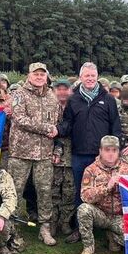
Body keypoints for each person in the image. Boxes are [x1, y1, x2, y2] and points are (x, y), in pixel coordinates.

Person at [57, 62, 122, 242]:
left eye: (93, 76)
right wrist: (57, 130)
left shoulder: (108, 99)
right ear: (81, 77)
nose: (90, 79)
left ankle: (108, 228)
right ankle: (81, 228)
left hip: (102, 157)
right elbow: (67, 123)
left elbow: (115, 127)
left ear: (97, 77)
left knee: (108, 190)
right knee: (82, 191)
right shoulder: (73, 99)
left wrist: (115, 153)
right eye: (87, 76)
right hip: (79, 154)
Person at [9, 62, 60, 246]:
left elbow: (58, 124)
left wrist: (57, 147)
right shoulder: (19, 94)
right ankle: (11, 228)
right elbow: (20, 119)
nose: (39, 77)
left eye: (42, 74)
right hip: (21, 152)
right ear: (29, 75)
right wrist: (46, 128)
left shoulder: (52, 97)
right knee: (14, 191)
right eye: (36, 74)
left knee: (45, 192)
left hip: (44, 153)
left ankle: (45, 228)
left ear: (46, 76)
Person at [77, 135, 128, 254]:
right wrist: (107, 187)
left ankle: (113, 237)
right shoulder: (91, 170)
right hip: (101, 214)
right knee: (84, 209)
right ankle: (88, 248)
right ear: (100, 151)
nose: (110, 154)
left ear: (118, 152)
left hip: (120, 217)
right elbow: (85, 196)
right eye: (107, 150)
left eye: (114, 150)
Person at [51, 79, 75, 239]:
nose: (62, 92)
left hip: (71, 155)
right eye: (58, 89)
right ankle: (52, 221)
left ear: (70, 91)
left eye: (65, 89)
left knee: (69, 190)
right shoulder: (49, 107)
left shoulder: (75, 107)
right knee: (53, 190)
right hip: (53, 155)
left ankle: (65, 221)